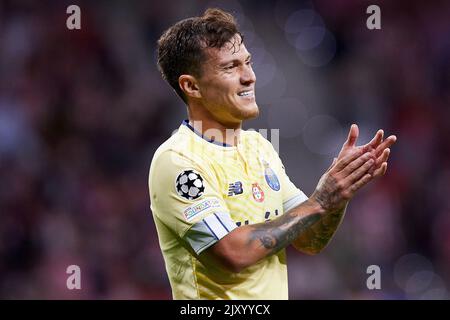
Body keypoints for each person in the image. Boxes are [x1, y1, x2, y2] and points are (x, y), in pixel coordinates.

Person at [148, 8, 396, 300]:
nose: (250, 77)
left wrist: (338, 194)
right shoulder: (178, 160)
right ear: (192, 86)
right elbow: (232, 253)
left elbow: (310, 239)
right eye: (230, 67)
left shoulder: (259, 147)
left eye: (248, 63)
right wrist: (320, 201)